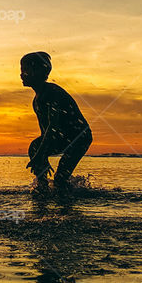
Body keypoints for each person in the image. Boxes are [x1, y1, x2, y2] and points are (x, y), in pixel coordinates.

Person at [20, 52, 92, 195]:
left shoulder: (52, 93)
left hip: (79, 138)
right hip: (62, 137)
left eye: (25, 71)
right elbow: (45, 131)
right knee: (34, 146)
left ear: (37, 72)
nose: (21, 75)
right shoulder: (37, 100)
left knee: (59, 179)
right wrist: (42, 157)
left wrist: (41, 154)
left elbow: (53, 127)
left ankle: (66, 203)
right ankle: (42, 186)